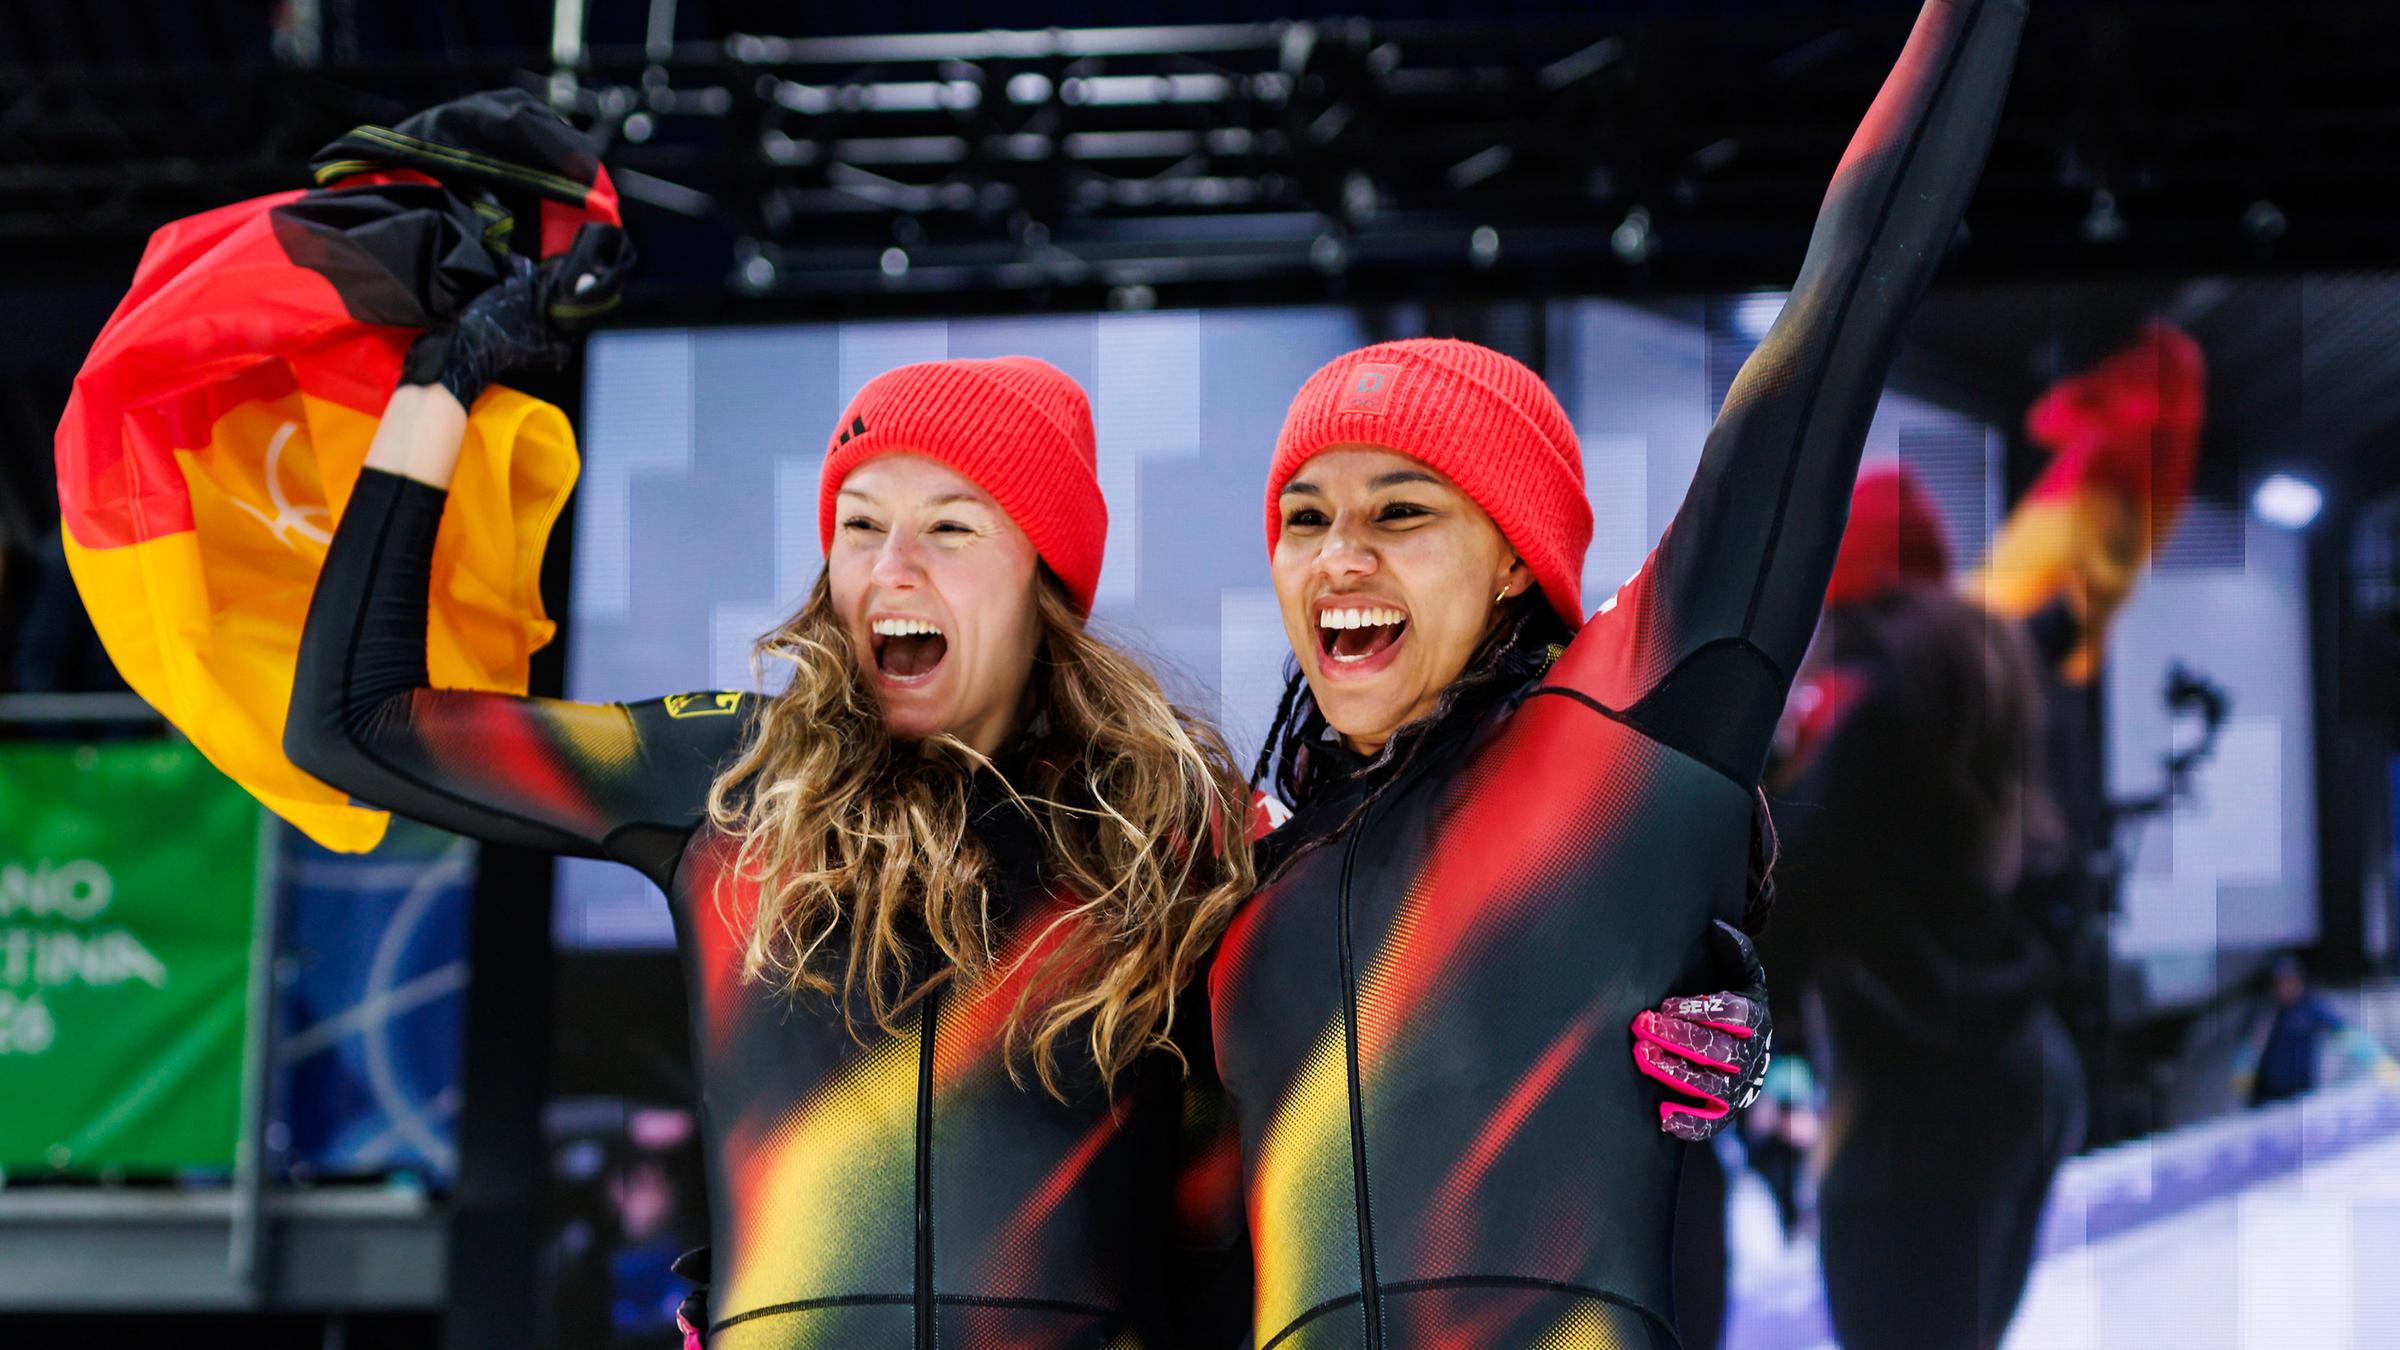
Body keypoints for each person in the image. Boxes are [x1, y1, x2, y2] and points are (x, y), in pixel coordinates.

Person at [1211, 2, 2025, 1345]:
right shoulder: (1238, 878)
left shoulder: (1622, 729)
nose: (1340, 555)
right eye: (1306, 516)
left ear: (1519, 564)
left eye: (1402, 511)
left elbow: (1845, 307)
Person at [285, 261, 1260, 1345]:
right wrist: (443, 381)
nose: (891, 568)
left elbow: (1218, 1227)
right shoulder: (738, 776)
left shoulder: (1166, 819)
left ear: (1046, 576)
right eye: (858, 525)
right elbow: (350, 723)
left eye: (950, 528)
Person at [1767, 566, 2076, 1350]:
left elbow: (1788, 907)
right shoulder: (1978, 685)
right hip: (2021, 1068)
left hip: (1914, 1103)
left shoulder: (1873, 707)